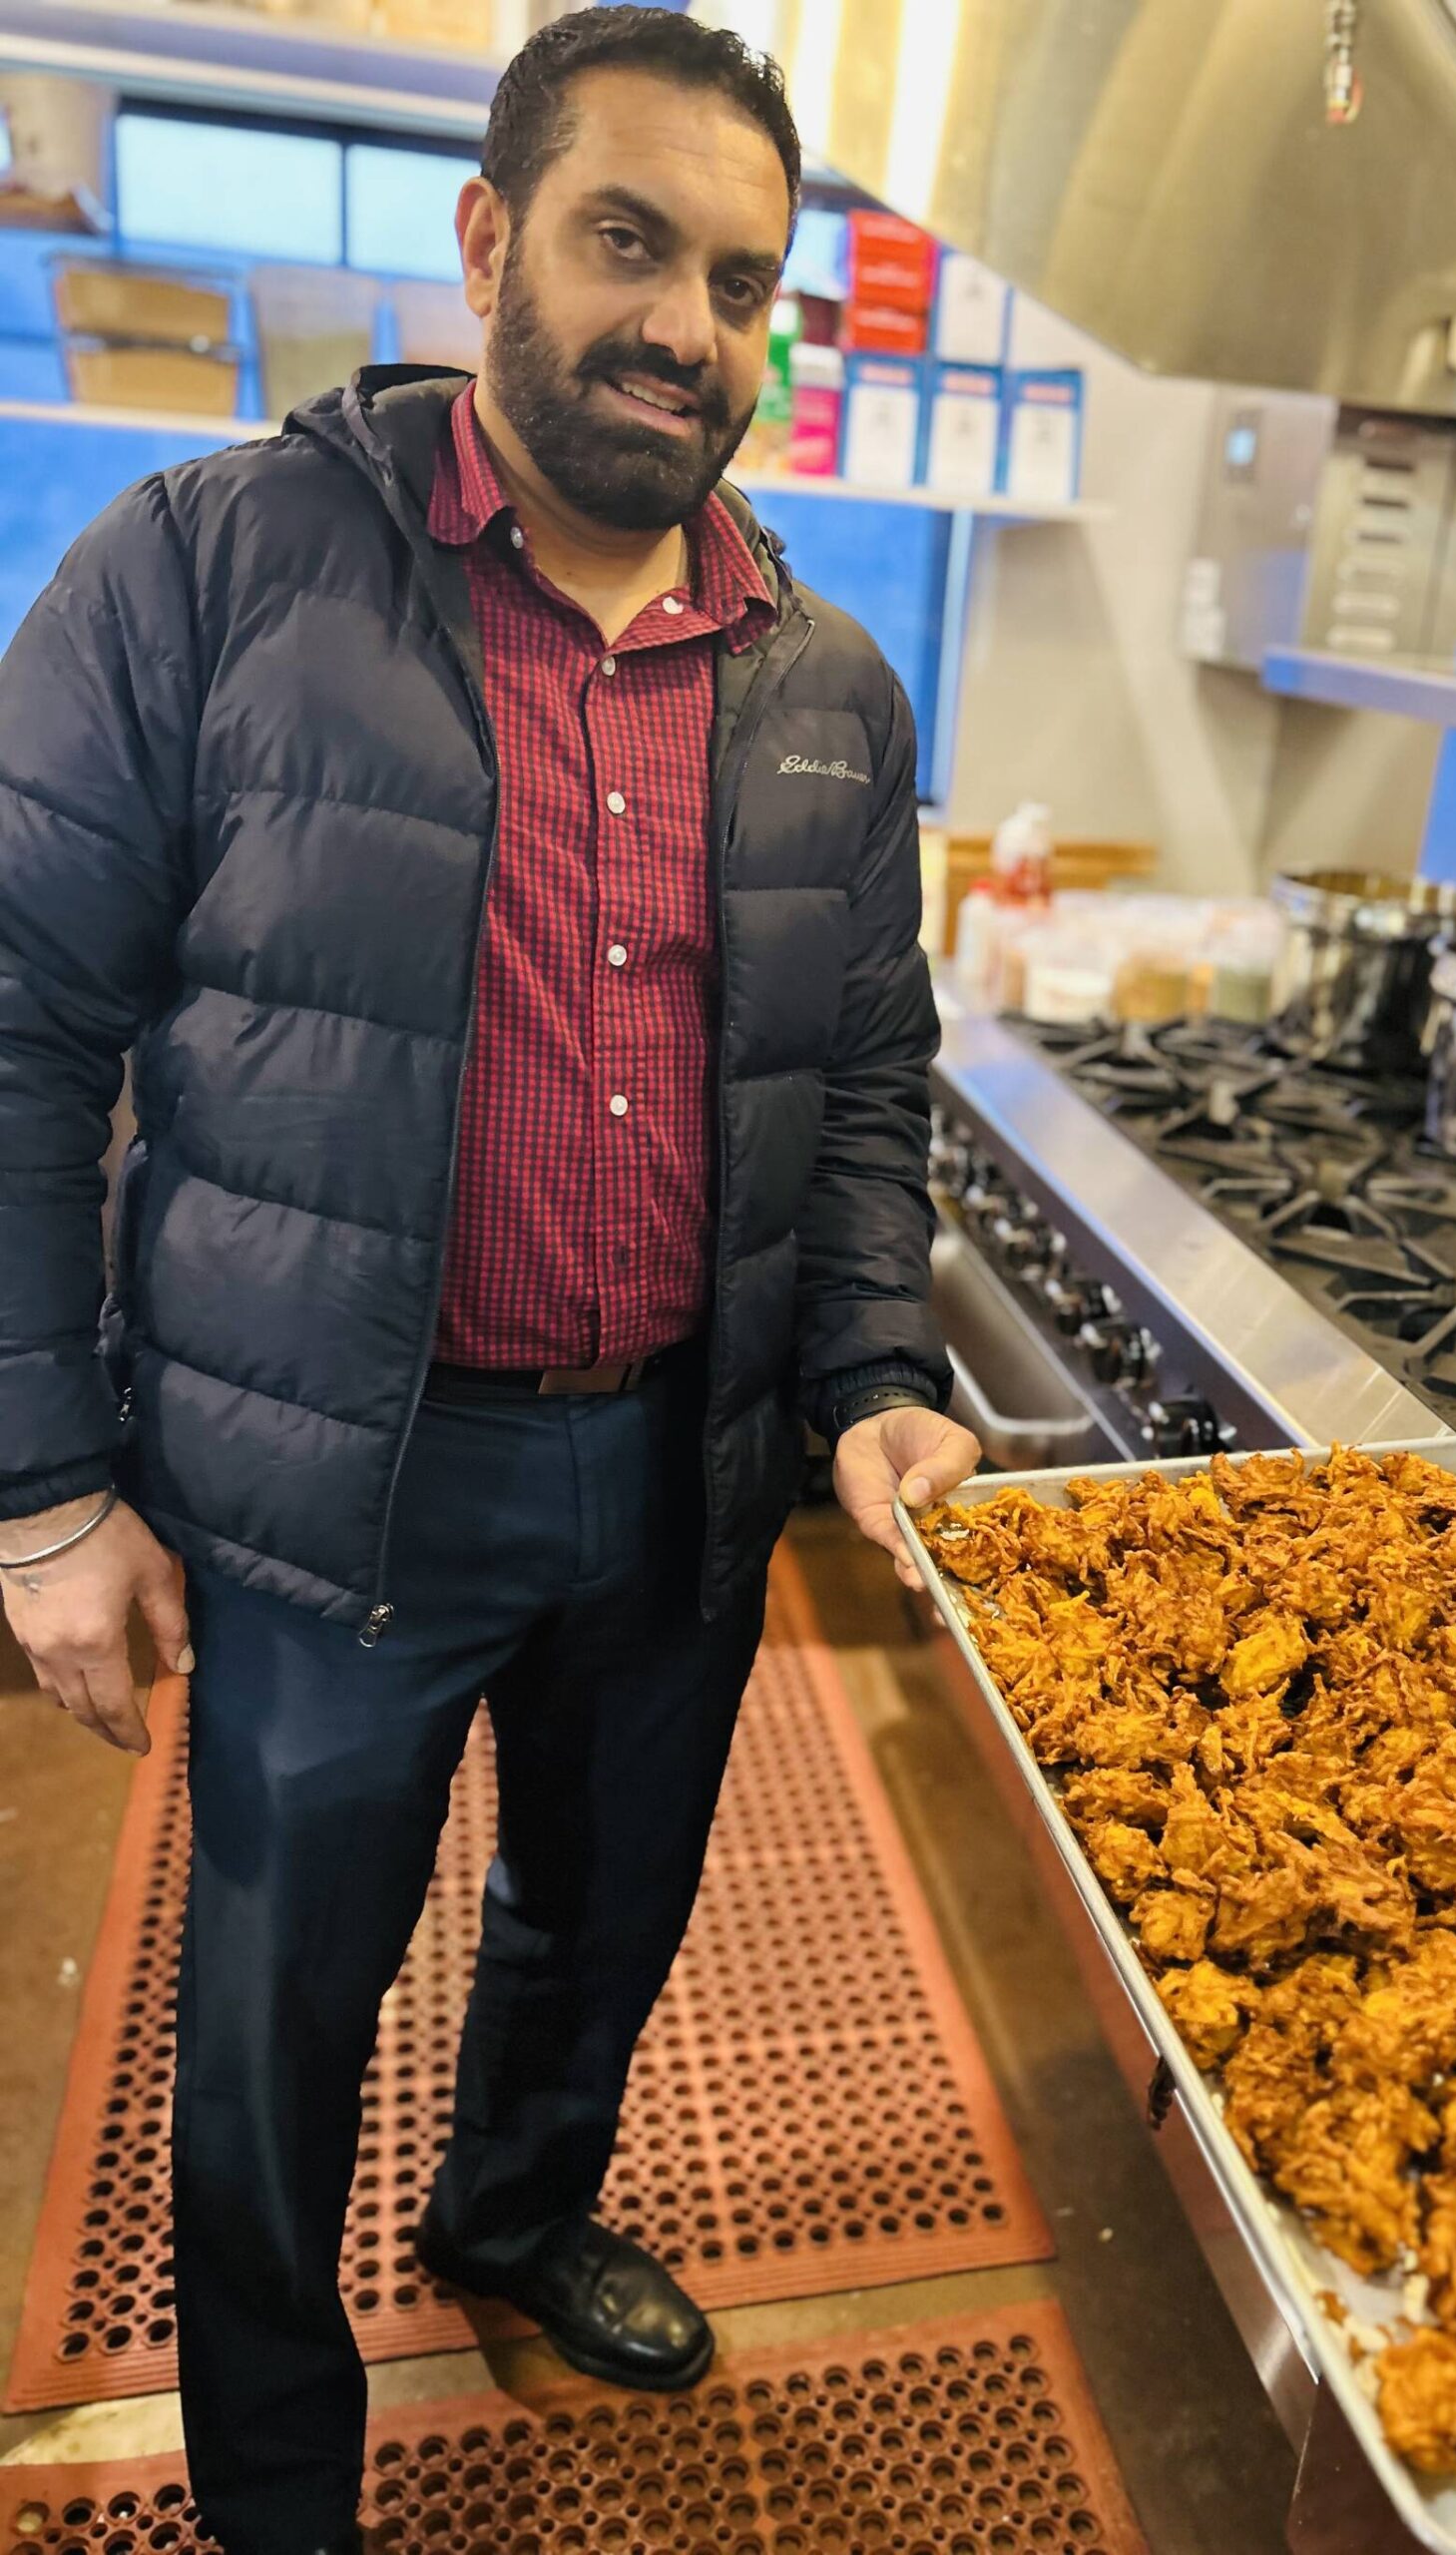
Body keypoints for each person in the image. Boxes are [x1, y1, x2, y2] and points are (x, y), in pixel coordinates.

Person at [0, 13, 979, 2548]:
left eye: (740, 281)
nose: (686, 325)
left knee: (602, 1914)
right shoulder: (207, 570)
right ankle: (276, 2465)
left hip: (678, 1462)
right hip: (339, 1467)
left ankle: (519, 2210)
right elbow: (15, 1026)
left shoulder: (828, 685)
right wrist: (40, 1485)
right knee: (276, 2008)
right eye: (627, 242)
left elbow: (868, 1083)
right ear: (488, 240)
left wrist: (873, 1363)